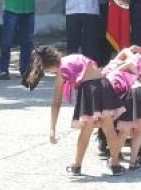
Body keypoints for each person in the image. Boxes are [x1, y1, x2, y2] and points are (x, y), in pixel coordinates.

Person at [23, 46, 126, 176]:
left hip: (89, 91)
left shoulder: (61, 71)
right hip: (103, 85)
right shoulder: (73, 57)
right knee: (109, 128)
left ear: (47, 66)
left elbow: (56, 103)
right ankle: (115, 165)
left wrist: (52, 129)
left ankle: (77, 166)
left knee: (86, 131)